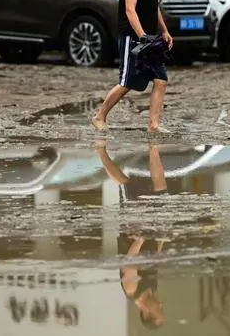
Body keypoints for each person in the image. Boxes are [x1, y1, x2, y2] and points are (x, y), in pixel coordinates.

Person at [91, 0, 174, 134]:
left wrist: (164, 31)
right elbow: (130, 10)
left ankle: (153, 125)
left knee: (161, 80)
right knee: (127, 82)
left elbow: (154, 7)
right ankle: (99, 116)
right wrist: (141, 35)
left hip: (150, 39)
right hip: (133, 38)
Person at [92, 140, 168, 328]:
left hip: (133, 230)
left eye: (159, 309)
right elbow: (154, 259)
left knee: (125, 185)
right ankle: (154, 147)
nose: (161, 304)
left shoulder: (132, 289)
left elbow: (129, 261)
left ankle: (100, 152)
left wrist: (140, 238)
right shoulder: (153, 288)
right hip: (151, 231)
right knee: (160, 189)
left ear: (146, 312)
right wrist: (161, 239)